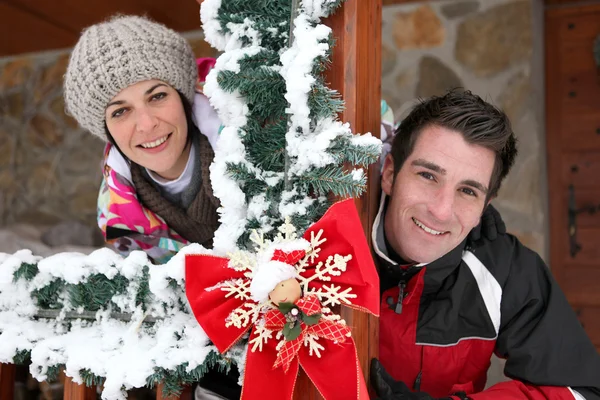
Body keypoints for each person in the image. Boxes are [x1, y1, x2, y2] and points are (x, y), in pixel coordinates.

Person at [370, 90, 600, 399]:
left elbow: (581, 392)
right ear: (389, 174)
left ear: (485, 207)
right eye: (428, 175)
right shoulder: (328, 229)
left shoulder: (502, 268)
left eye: (468, 191)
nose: (441, 210)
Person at [63, 15, 240, 400]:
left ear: (182, 95)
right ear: (106, 129)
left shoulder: (247, 143)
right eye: (120, 111)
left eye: (157, 96)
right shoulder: (118, 212)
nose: (146, 124)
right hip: (204, 365)